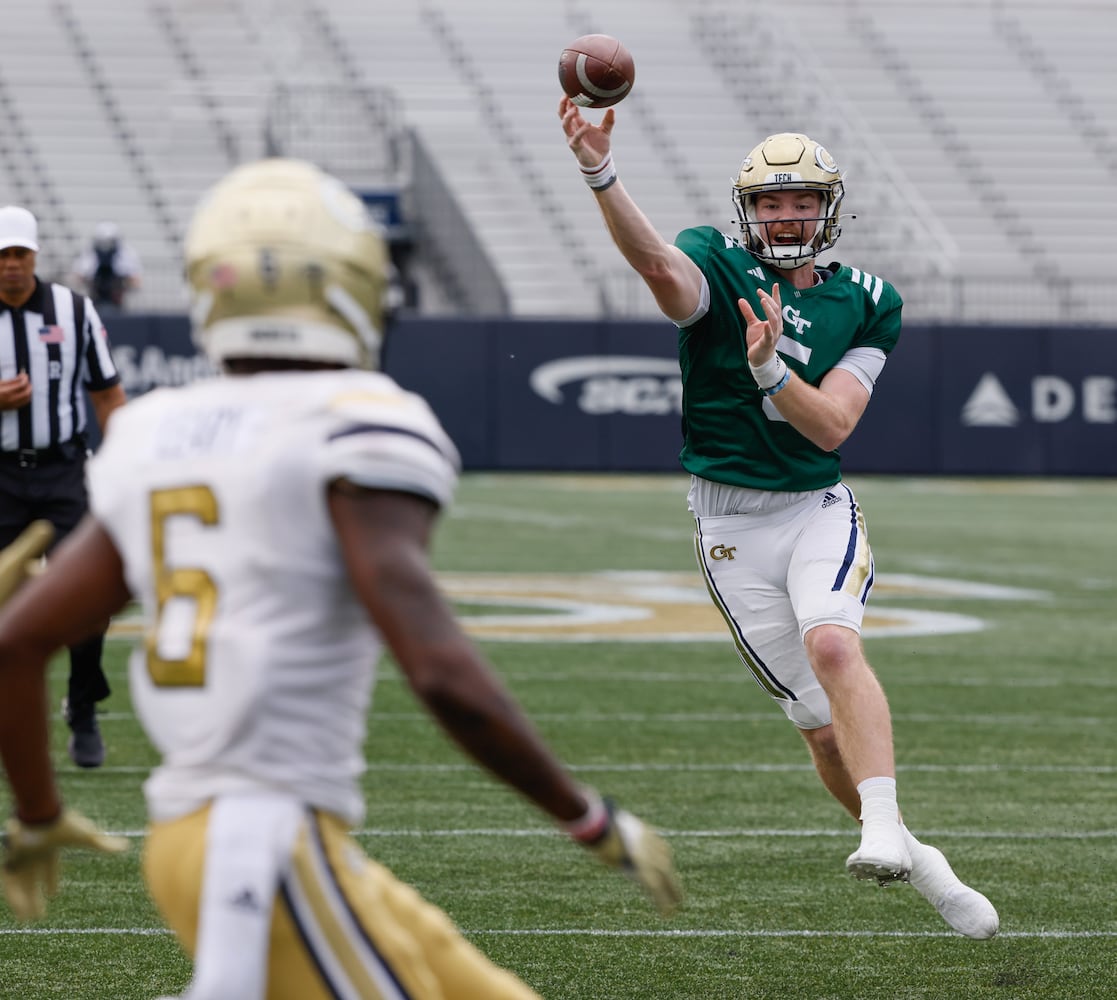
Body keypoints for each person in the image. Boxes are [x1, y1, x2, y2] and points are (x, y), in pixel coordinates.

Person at [0, 158, 681, 999]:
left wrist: (37, 814)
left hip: (212, 840)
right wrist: (588, 816)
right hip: (264, 847)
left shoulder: (155, 434)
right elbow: (439, 671)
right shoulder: (359, 422)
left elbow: (19, 638)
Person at [559, 101, 998, 940]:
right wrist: (599, 174)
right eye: (768, 202)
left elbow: (830, 426)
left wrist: (767, 374)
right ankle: (923, 859)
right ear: (744, 211)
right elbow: (656, 267)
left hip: (811, 507)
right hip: (728, 524)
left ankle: (879, 825)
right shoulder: (712, 262)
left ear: (829, 209)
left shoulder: (869, 300)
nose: (784, 215)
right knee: (818, 732)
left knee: (833, 641)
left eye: (799, 201)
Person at [0, 204, 127, 768]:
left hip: (63, 470)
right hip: (0, 475)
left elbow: (107, 394)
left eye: (19, 254)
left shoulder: (74, 311)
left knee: (88, 596)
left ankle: (83, 705)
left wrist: (126, 464)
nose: (10, 266)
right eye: (1, 255)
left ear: (35, 256)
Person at [70, 220, 143, 311]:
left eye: (109, 242)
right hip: (95, 299)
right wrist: (90, 281)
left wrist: (122, 283)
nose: (106, 247)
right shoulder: (89, 253)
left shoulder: (126, 254)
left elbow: (136, 282)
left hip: (117, 302)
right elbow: (77, 278)